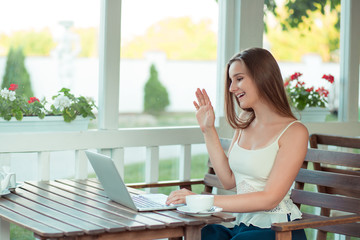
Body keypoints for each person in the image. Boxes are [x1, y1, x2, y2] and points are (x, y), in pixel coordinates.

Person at [166, 47, 308, 240]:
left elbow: (270, 199)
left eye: (239, 79)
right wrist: (208, 130)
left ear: (262, 77)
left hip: (279, 229)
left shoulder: (294, 132)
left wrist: (201, 201)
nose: (232, 88)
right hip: (242, 225)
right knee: (199, 233)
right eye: (231, 81)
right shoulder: (245, 122)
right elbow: (229, 180)